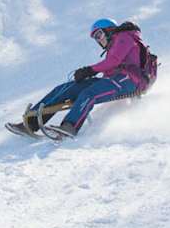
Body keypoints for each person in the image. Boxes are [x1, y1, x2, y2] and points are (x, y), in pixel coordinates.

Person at [10, 18, 155, 138]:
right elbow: (110, 69)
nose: (98, 40)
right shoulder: (114, 46)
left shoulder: (124, 37)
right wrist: (86, 75)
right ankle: (30, 123)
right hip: (116, 80)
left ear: (109, 30)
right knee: (66, 88)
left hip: (131, 81)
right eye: (95, 38)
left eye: (99, 35)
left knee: (89, 94)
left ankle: (70, 126)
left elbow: (113, 62)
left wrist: (89, 70)